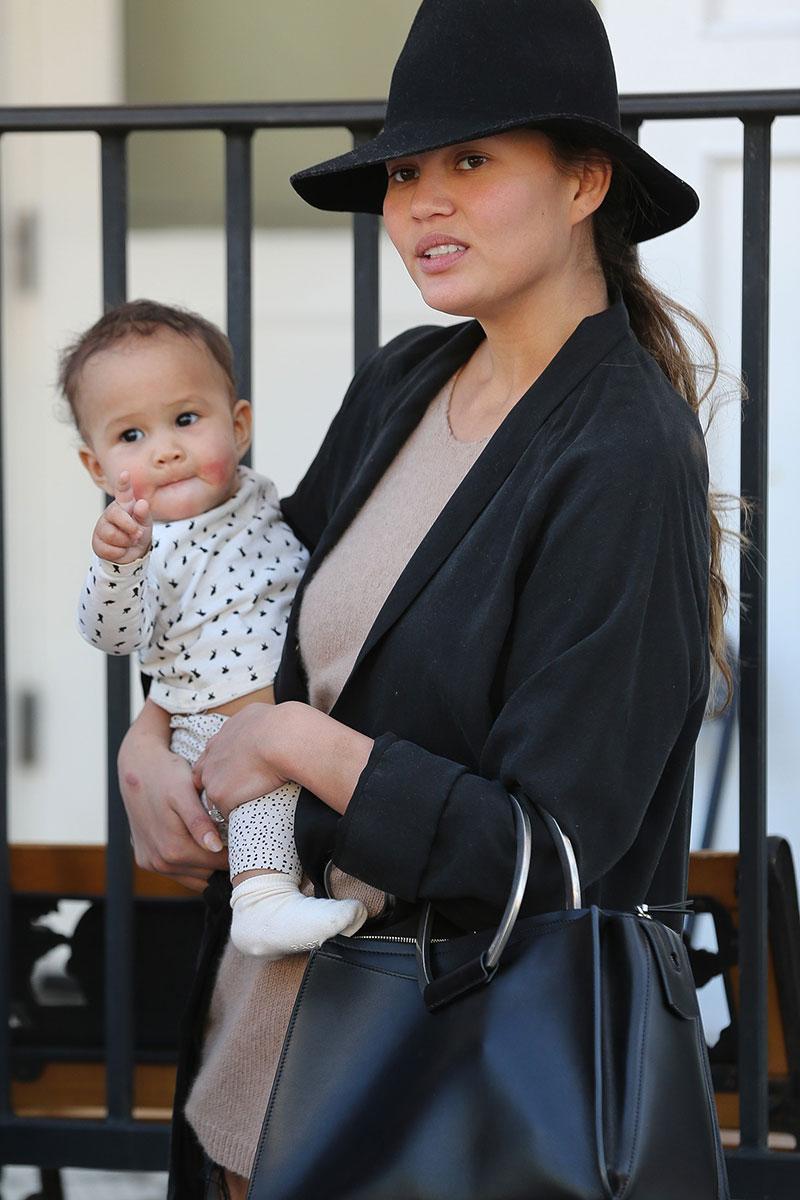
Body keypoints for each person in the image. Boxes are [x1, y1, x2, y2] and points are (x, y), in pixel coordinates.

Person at [116, 2, 730, 1197]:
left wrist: (297, 741)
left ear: (583, 183)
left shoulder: (620, 454)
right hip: (265, 1053)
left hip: (447, 1094)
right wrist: (149, 738)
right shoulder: (407, 380)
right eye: (406, 171)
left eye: (471, 161)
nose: (422, 204)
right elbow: (241, 608)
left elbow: (546, 859)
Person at [63, 301, 368, 960]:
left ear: (239, 426)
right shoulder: (144, 547)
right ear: (97, 469)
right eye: (131, 437)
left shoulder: (258, 500)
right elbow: (112, 635)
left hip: (294, 710)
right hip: (214, 723)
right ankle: (259, 901)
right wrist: (117, 565)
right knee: (262, 786)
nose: (166, 450)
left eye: (186, 420)